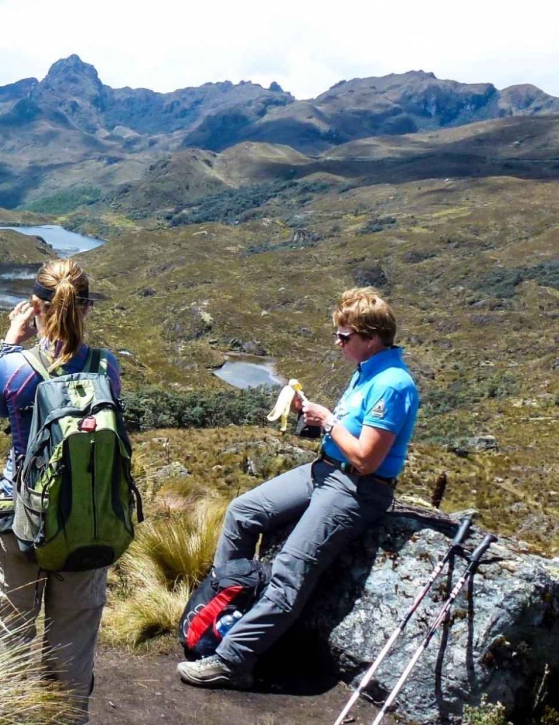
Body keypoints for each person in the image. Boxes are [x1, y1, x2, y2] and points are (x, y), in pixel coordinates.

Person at [178, 287, 419, 690]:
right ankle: (222, 608)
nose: (337, 343)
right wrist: (311, 416)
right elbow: (345, 433)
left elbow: (366, 458)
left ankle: (232, 661)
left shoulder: (392, 385)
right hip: (324, 470)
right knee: (243, 511)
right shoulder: (368, 371)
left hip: (357, 487)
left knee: (290, 571)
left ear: (371, 338)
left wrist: (327, 421)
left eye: (344, 337)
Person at [0, 258, 120, 718]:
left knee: (9, 633)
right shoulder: (107, 366)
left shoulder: (16, 366)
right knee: (72, 642)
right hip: (86, 523)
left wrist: (9, 341)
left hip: (20, 519)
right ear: (86, 309)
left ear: (36, 308)